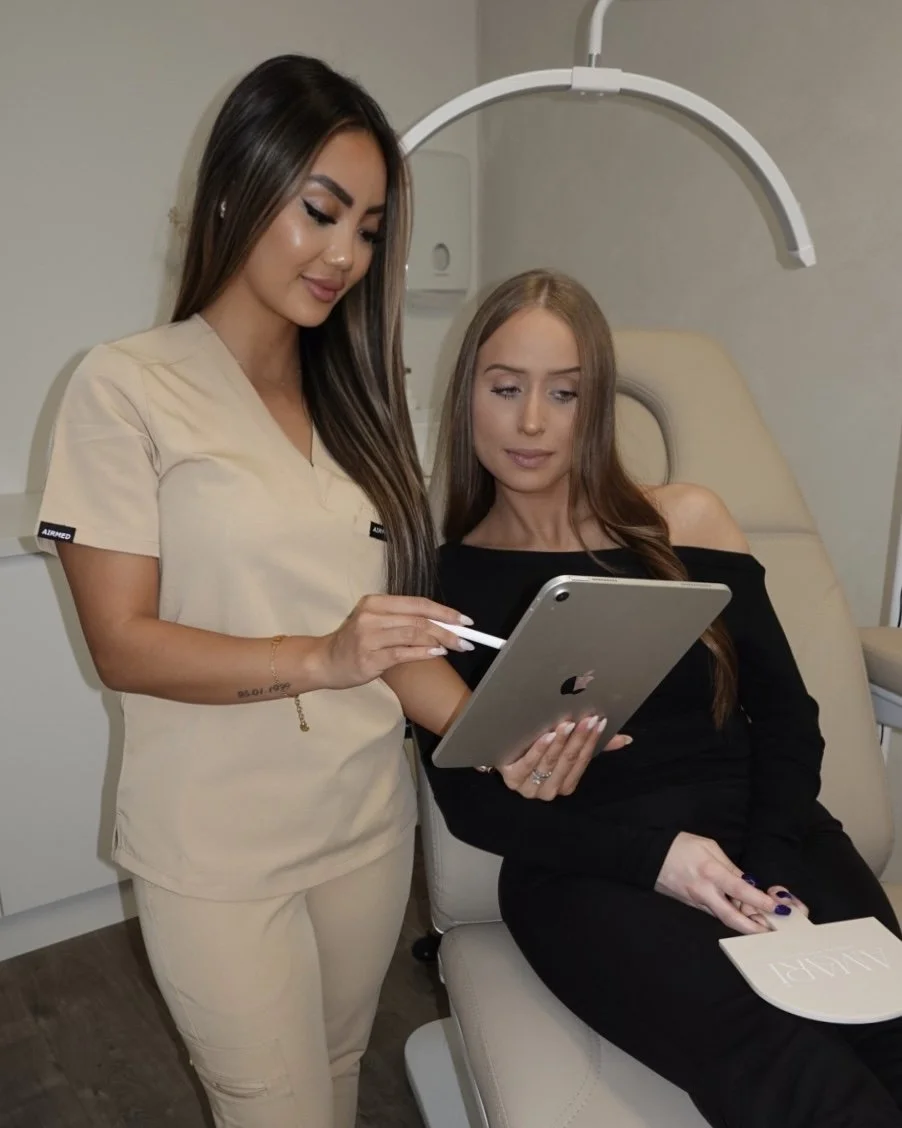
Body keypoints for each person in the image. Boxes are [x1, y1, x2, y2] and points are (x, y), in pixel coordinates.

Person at [35, 57, 624, 1128]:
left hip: (361, 825)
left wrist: (507, 736)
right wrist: (318, 654)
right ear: (233, 191)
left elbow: (393, 645)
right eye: (320, 212)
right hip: (216, 851)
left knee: (338, 1077)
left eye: (367, 227)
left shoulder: (359, 403)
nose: (345, 253)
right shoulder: (125, 386)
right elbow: (122, 643)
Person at [415, 267, 902, 1127]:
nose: (532, 421)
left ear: (593, 407)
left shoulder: (686, 523)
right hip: (586, 871)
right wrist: (661, 861)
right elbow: (474, 810)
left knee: (889, 1028)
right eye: (506, 388)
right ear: (468, 399)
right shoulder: (439, 581)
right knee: (795, 1080)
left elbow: (788, 719)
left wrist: (768, 867)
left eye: (563, 394)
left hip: (767, 834)